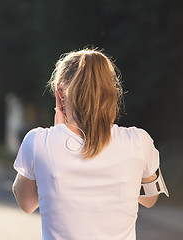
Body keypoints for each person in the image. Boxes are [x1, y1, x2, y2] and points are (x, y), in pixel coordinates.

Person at [12, 48, 168, 240]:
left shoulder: (37, 142)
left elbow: (27, 204)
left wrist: (56, 135)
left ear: (60, 93)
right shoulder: (139, 141)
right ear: (111, 91)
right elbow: (150, 199)